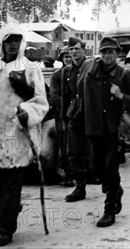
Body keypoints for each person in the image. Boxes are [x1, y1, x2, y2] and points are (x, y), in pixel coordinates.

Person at [0, 27, 49, 247]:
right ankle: (9, 205)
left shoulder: (30, 68)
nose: (12, 44)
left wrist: (25, 113)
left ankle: (5, 229)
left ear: (22, 42)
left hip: (15, 133)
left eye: (17, 40)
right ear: (2, 42)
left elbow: (40, 101)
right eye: (9, 40)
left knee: (11, 181)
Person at [79, 36, 130, 227]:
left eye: (111, 52)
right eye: (104, 52)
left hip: (115, 130)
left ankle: (109, 210)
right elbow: (82, 95)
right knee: (97, 170)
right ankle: (117, 191)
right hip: (95, 128)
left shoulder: (125, 75)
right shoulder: (90, 72)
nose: (107, 55)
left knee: (111, 170)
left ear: (117, 54)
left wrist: (121, 95)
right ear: (100, 54)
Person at [62, 37, 93, 202]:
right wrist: (64, 119)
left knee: (95, 151)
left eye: (77, 49)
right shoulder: (67, 71)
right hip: (75, 113)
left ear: (84, 50)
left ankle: (108, 185)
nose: (74, 52)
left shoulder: (93, 66)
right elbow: (65, 96)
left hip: (92, 113)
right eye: (71, 49)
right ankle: (80, 187)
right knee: (73, 151)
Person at [49, 46, 74, 187]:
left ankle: (84, 174)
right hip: (63, 114)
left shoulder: (80, 73)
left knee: (81, 144)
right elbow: (55, 96)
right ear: (62, 59)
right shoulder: (57, 76)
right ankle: (69, 175)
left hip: (78, 113)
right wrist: (69, 108)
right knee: (65, 145)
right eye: (66, 57)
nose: (69, 59)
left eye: (70, 56)